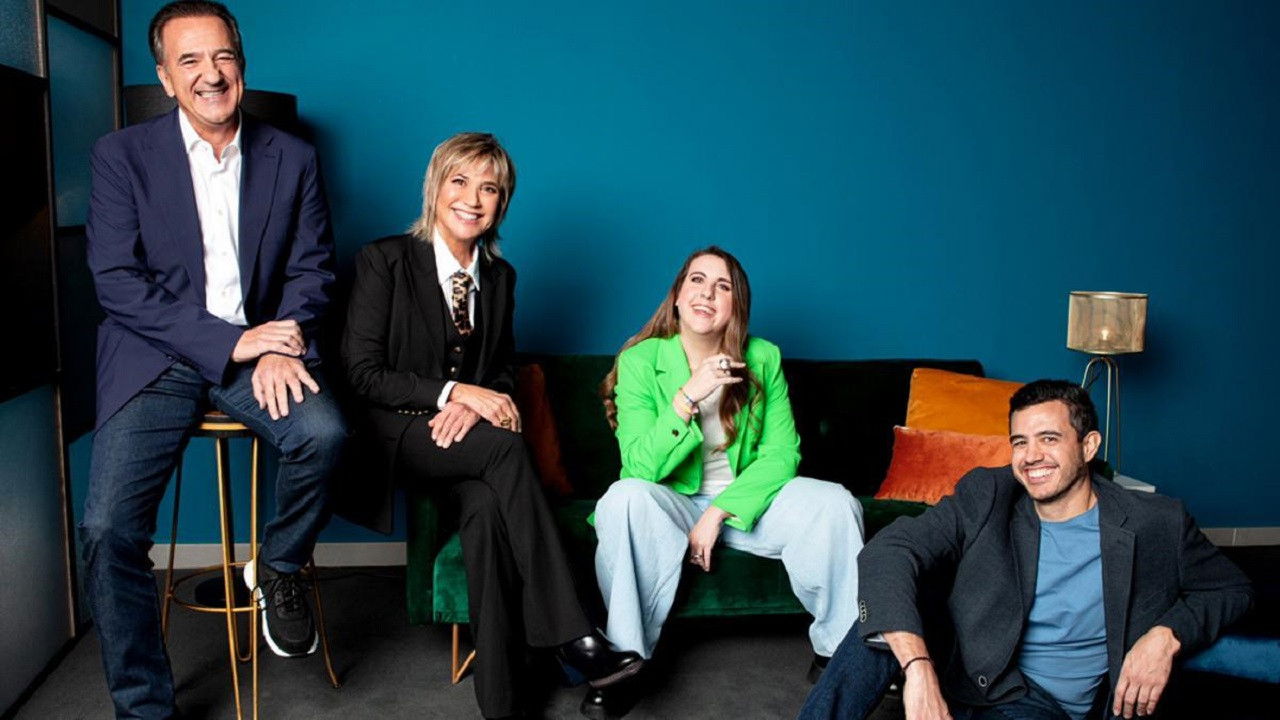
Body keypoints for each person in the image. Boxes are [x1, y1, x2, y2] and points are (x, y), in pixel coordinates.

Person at [81, 2, 347, 717]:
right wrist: (229, 341)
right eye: (190, 60)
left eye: (223, 56)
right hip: (155, 355)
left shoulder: (292, 156)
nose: (211, 74)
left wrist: (282, 336)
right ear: (165, 78)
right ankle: (144, 707)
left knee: (324, 435)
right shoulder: (120, 155)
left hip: (261, 348)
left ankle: (279, 565)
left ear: (242, 65)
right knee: (107, 531)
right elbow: (116, 281)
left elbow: (313, 268)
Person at [341, 132, 642, 719]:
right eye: (460, 182)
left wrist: (478, 401)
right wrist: (455, 392)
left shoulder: (500, 277)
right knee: (505, 447)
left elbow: (501, 368)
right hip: (395, 436)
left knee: (484, 512)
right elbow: (362, 373)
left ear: (503, 203)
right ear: (435, 188)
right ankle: (574, 635)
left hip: (463, 444)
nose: (473, 199)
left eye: (490, 189)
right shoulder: (385, 260)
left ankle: (502, 704)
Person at [799, 379, 1254, 720]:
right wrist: (918, 666)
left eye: (1049, 439)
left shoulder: (1156, 521)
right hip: (965, 669)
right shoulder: (989, 492)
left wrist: (1165, 636)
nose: (1031, 455)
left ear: (1089, 445)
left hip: (1036, 703)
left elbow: (1232, 589)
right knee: (882, 626)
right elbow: (890, 550)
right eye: (1020, 442)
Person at [589, 247, 865, 715]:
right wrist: (687, 398)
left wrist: (718, 512)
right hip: (670, 502)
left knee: (835, 502)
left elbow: (781, 454)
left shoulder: (763, 357)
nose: (707, 294)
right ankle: (626, 662)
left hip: (744, 502)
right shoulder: (640, 360)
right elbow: (638, 468)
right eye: (697, 281)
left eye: (723, 286)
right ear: (677, 296)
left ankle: (842, 655)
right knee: (623, 498)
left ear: (736, 306)